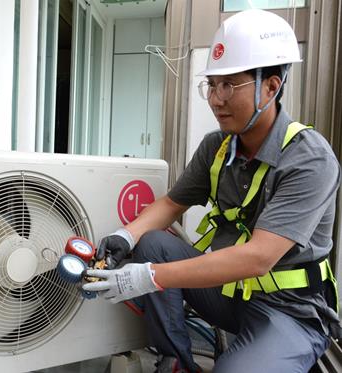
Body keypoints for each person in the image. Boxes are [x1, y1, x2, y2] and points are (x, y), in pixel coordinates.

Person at [84, 9, 341, 373]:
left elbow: (258, 258)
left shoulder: (309, 158)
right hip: (232, 294)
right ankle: (177, 359)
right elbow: (173, 202)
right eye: (212, 84)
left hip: (290, 309)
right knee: (152, 243)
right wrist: (126, 234)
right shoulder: (217, 146)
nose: (217, 99)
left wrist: (147, 277)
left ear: (271, 86)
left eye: (230, 85)